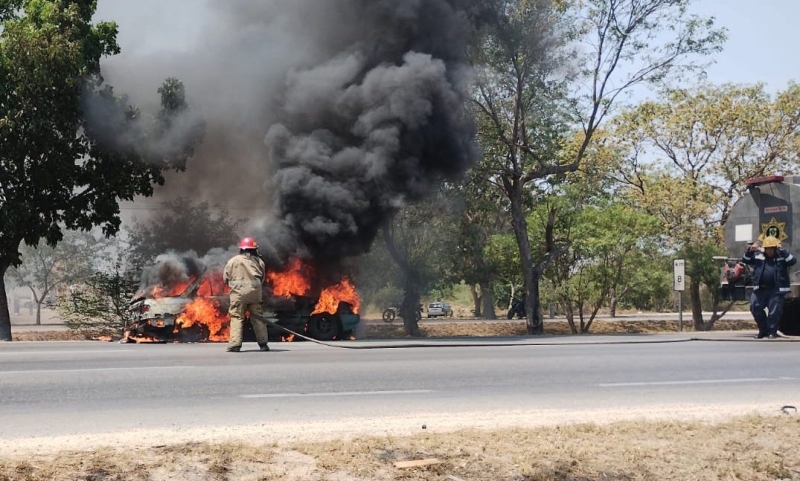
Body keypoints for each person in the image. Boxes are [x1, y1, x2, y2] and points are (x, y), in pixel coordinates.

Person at [741, 236, 797, 339]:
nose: (769, 251)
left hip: (776, 290)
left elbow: (792, 261)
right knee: (755, 307)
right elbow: (745, 260)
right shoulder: (758, 256)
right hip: (760, 289)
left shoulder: (781, 256)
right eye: (767, 248)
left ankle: (772, 332)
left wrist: (782, 250)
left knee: (774, 312)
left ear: (775, 248)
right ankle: (763, 331)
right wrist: (750, 251)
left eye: (771, 248)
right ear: (764, 248)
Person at [223, 237, 270, 352]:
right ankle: (263, 344)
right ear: (254, 249)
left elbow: (225, 278)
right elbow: (262, 279)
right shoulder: (259, 262)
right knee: (258, 318)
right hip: (255, 295)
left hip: (238, 296)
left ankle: (235, 345)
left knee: (237, 317)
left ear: (241, 249)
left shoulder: (232, 261)